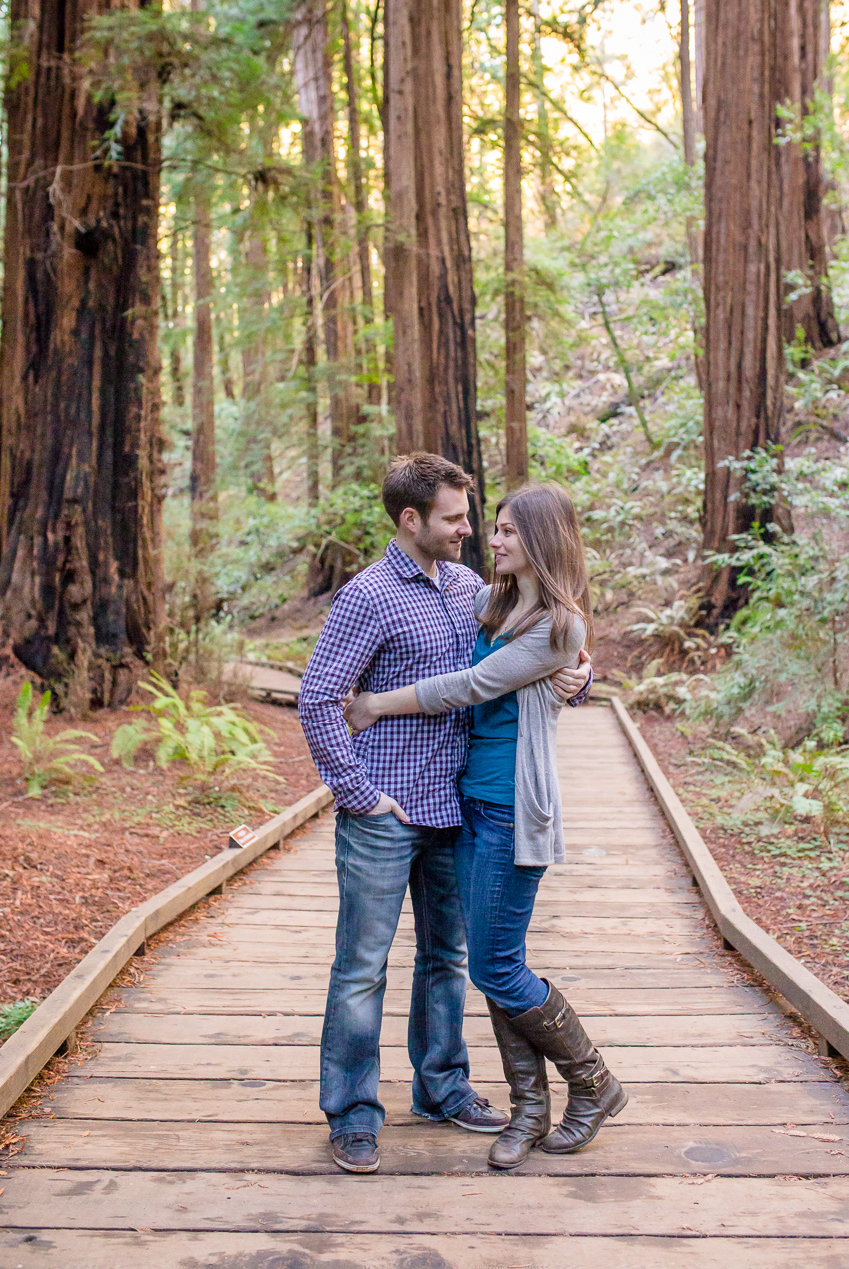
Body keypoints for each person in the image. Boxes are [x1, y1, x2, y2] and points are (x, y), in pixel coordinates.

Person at [298, 454, 591, 1174]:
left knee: (448, 961)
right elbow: (318, 698)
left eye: (476, 520)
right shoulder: (367, 597)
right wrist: (357, 791)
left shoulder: (469, 588)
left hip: (457, 805)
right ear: (411, 520)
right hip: (386, 810)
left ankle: (443, 1087)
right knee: (362, 968)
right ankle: (353, 1113)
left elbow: (515, 665)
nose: (470, 531)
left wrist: (580, 678)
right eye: (457, 519)